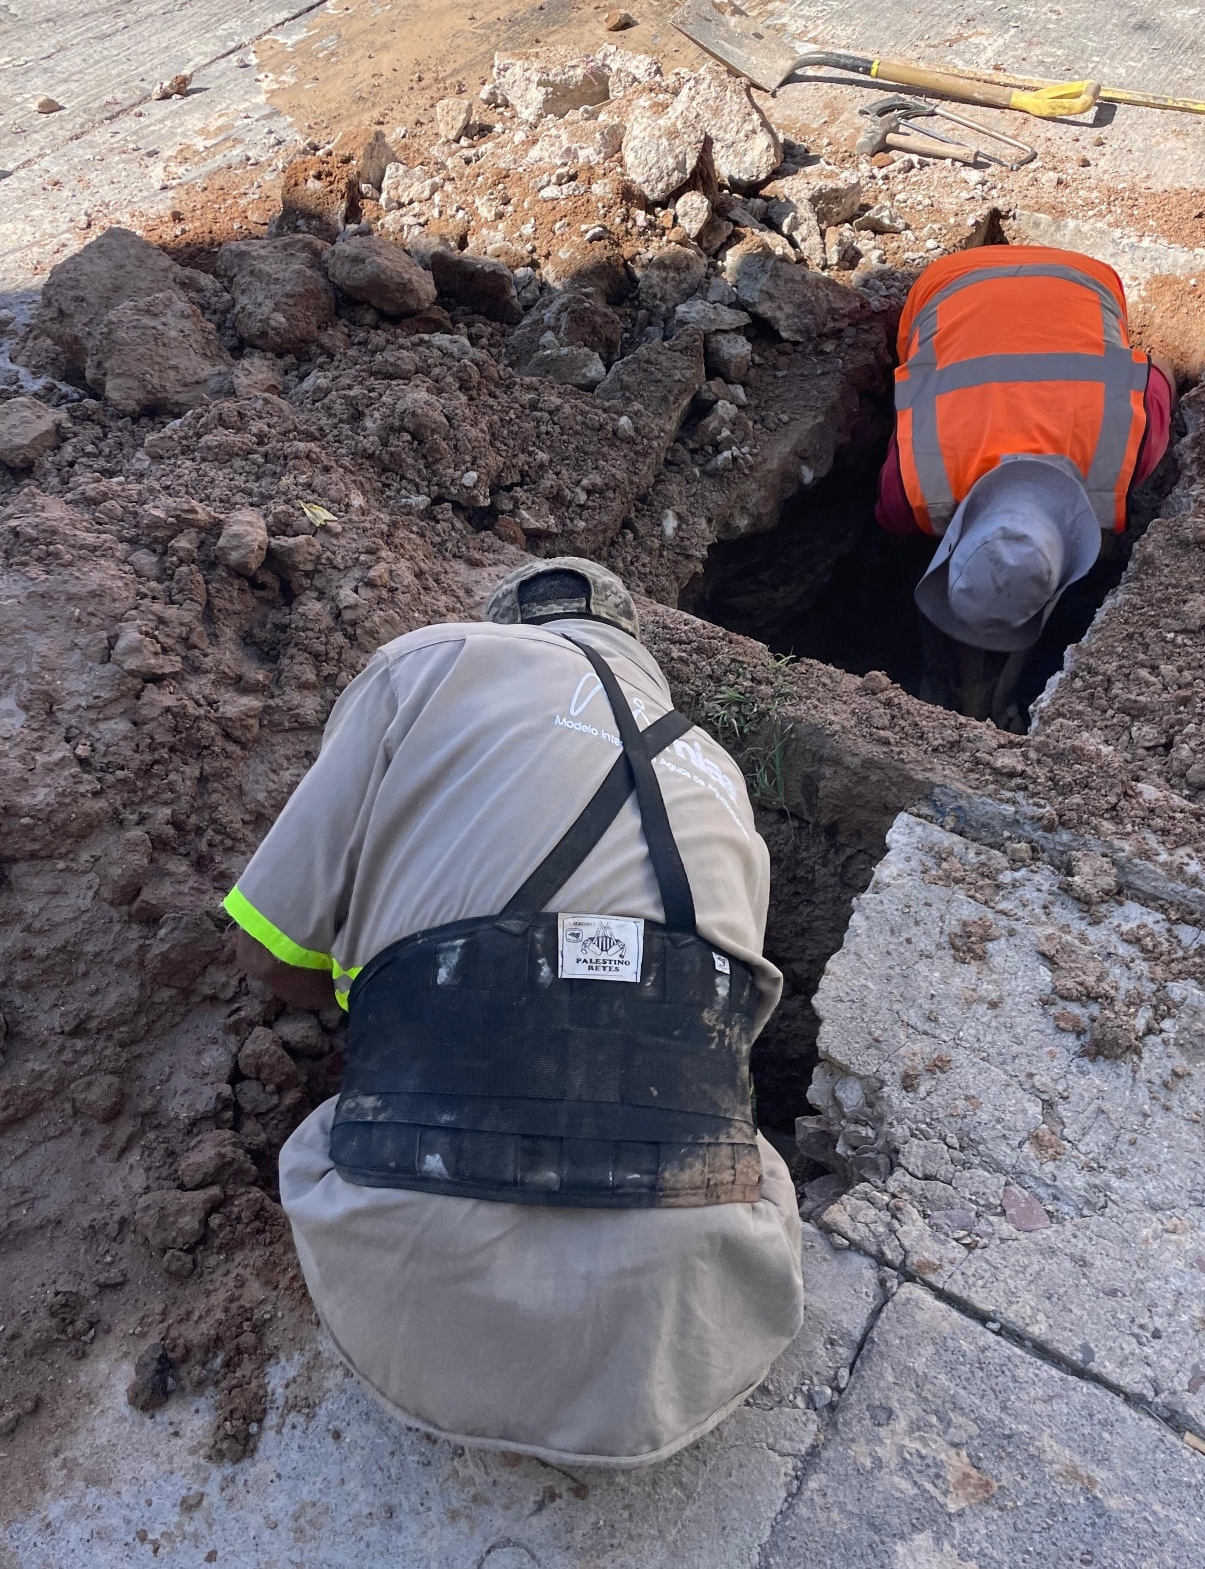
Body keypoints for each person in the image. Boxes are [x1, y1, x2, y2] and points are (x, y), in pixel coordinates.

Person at [222, 558, 803, 1468]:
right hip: (681, 1332)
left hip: (406, 1294)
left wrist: (402, 991)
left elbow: (270, 954)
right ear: (639, 655)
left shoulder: (433, 663)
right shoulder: (724, 775)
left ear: (514, 628)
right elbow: (711, 1035)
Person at [874, 243, 1176, 722]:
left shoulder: (1129, 452)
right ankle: (953, 677)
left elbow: (1158, 378)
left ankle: (964, 681)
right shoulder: (909, 490)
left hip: (1084, 279)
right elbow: (1156, 377)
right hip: (944, 286)